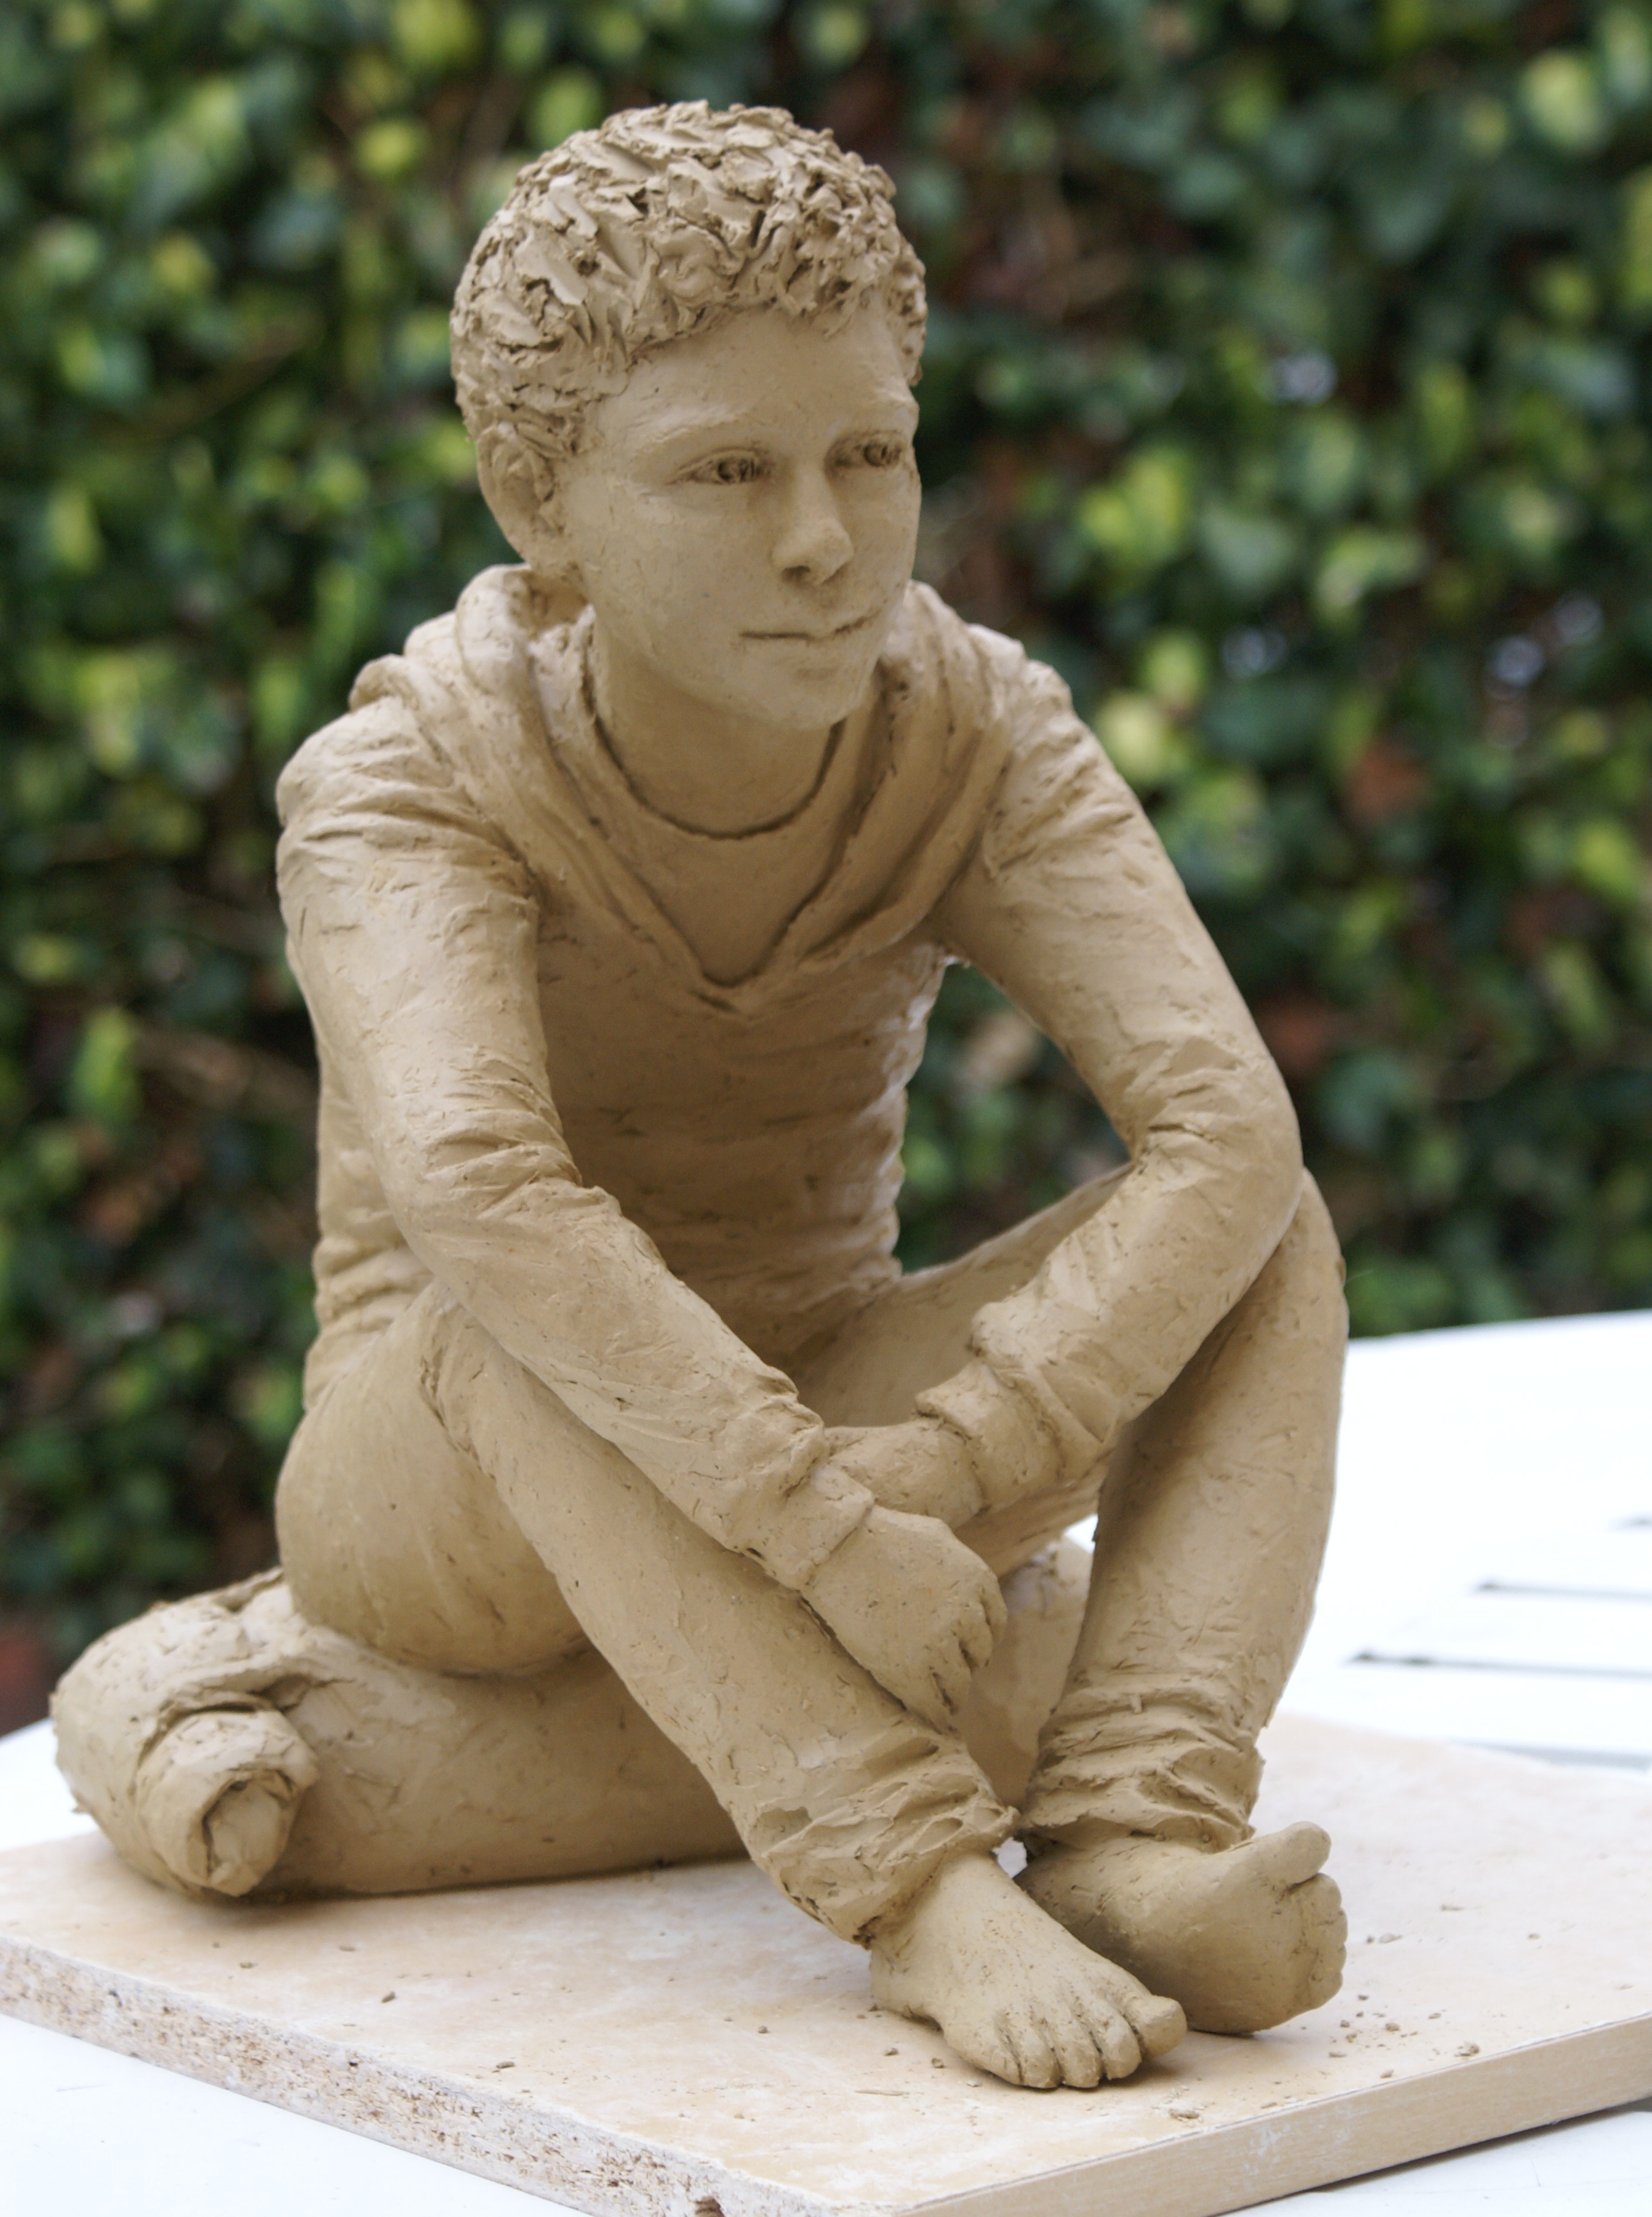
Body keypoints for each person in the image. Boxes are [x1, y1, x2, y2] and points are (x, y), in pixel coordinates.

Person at [54, 102, 1348, 2090]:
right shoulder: (406, 784)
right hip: (448, 1482)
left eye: (869, 455)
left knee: (1266, 1224)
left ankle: (1128, 1832)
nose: (823, 540)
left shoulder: (975, 734)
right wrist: (825, 1536)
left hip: (838, 1419)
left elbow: (1224, 1130)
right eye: (726, 472)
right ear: (538, 497)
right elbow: (484, 1193)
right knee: (517, 1316)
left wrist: (952, 1462)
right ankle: (915, 1883)